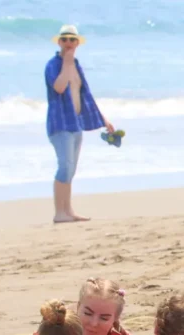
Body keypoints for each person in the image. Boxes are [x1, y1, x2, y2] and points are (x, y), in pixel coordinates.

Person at [45, 24, 116, 224]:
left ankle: (68, 211)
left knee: (71, 168)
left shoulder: (76, 65)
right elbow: (59, 88)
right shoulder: (53, 64)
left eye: (72, 40)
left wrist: (103, 119)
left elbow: (85, 95)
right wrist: (66, 64)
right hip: (60, 124)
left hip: (75, 123)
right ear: (59, 42)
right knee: (64, 166)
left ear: (77, 43)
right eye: (64, 39)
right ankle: (59, 212)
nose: (68, 43)